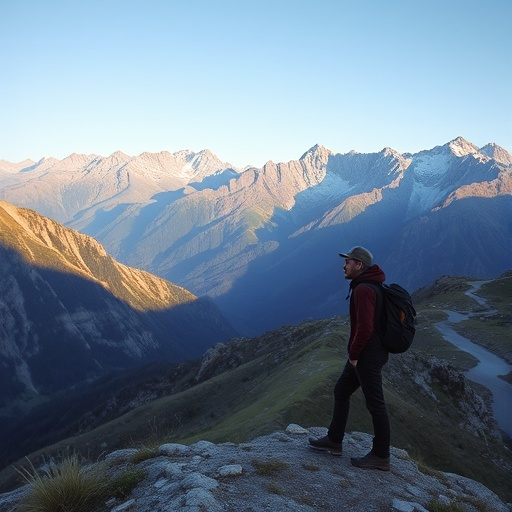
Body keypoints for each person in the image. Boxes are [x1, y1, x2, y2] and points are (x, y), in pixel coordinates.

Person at [308, 246, 391, 471]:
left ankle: (381, 456)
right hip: (369, 352)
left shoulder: (364, 289)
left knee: (376, 405)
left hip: (367, 355)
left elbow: (365, 328)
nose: (344, 265)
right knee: (341, 390)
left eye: (348, 262)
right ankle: (334, 440)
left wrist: (354, 355)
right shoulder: (371, 285)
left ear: (359, 265)